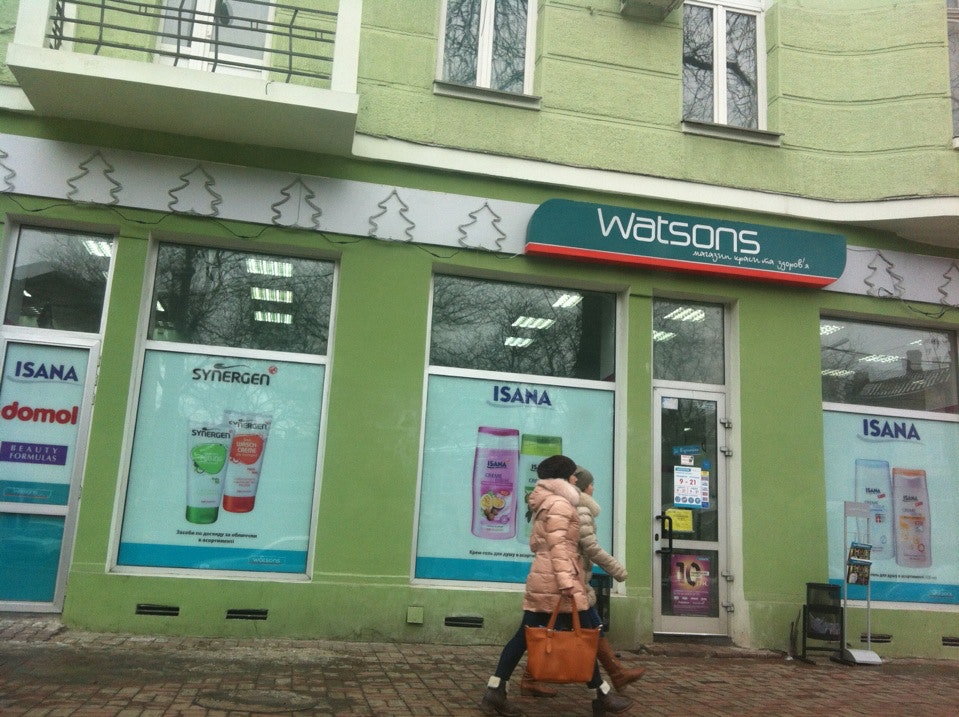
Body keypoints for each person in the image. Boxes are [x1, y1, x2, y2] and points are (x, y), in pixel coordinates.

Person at [480, 455, 633, 717]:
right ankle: (602, 695)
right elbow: (559, 545)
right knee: (583, 634)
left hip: (547, 578)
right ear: (564, 477)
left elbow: (538, 543)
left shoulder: (547, 501)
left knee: (547, 635)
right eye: (573, 475)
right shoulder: (561, 504)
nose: (576, 479)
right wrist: (566, 582)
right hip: (556, 581)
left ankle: (496, 689)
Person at [521, 466, 645, 698]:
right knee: (583, 631)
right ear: (582, 485)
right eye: (591, 483)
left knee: (574, 629)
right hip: (570, 580)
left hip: (570, 578)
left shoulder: (564, 504)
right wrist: (616, 570)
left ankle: (611, 679)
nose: (593, 487)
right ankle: (606, 687)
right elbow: (585, 546)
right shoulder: (578, 508)